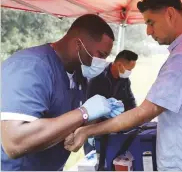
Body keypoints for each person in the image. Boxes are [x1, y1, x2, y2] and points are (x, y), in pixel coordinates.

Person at [64, 0, 182, 171]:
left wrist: (87, 131)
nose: (148, 31)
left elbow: (145, 112)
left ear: (170, 14)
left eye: (151, 22)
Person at [1, 14, 124, 171]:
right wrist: (84, 112)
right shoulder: (31, 67)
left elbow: (66, 121)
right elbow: (14, 142)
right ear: (78, 44)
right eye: (101, 55)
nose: (103, 63)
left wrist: (97, 117)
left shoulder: (78, 75)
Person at [84, 49, 138, 154]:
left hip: (115, 129)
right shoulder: (98, 78)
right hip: (96, 129)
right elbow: (89, 109)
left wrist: (135, 117)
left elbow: (130, 102)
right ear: (119, 65)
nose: (129, 73)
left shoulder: (125, 81)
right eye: (128, 69)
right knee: (96, 162)